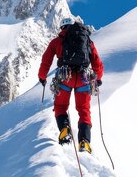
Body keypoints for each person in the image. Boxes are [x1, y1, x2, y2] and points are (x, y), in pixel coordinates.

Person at [38, 17, 103, 153]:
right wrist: (98, 78)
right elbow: (96, 61)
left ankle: (64, 129)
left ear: (62, 28)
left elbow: (46, 60)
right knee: (84, 110)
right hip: (83, 78)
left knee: (61, 106)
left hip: (65, 77)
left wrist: (42, 77)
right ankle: (84, 141)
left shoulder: (57, 41)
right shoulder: (87, 41)